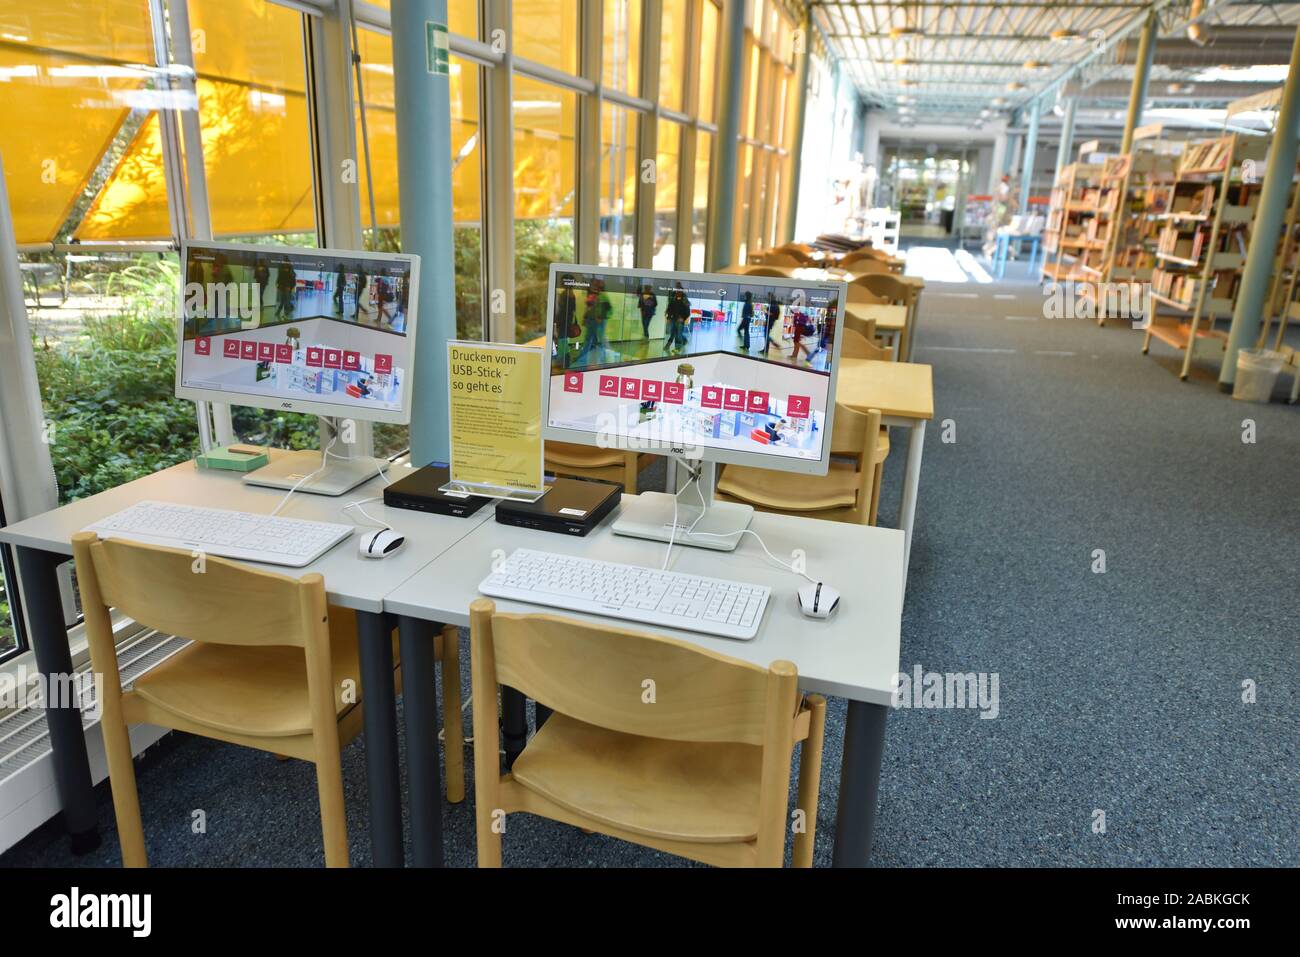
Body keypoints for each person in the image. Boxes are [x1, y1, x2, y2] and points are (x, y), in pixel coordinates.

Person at [577, 278, 612, 365]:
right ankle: (583, 357)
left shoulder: (603, 295)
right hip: (591, 321)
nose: (595, 286)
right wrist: (585, 317)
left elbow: (608, 308)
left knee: (600, 339)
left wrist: (600, 317)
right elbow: (589, 307)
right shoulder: (594, 295)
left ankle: (606, 358)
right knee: (589, 339)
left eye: (597, 285)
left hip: (598, 322)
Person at [665, 284, 691, 354]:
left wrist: (683, 318)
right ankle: (684, 340)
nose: (677, 292)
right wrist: (668, 317)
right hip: (673, 319)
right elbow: (669, 309)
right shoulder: (673, 299)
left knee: (678, 334)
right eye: (676, 290)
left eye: (679, 291)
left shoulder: (685, 300)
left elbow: (688, 311)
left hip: (680, 320)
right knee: (673, 333)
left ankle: (677, 348)